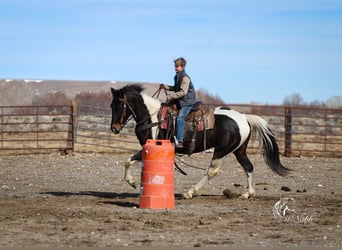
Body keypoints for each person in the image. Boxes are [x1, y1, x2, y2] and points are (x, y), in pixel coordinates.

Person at [160, 57, 197, 148]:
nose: (175, 68)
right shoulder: (177, 76)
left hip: (187, 101)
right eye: (175, 66)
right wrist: (166, 87)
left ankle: (180, 140)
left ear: (183, 66)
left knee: (180, 117)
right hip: (181, 100)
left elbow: (183, 92)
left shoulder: (185, 78)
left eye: (178, 66)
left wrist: (171, 96)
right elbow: (176, 88)